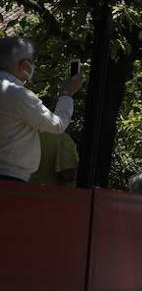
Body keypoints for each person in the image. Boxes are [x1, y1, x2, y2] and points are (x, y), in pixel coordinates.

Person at [0, 37, 83, 183]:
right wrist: (67, 93)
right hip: (9, 179)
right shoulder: (17, 94)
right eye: (32, 61)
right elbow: (56, 124)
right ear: (24, 65)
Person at [31, 97, 78, 186]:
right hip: (52, 195)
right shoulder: (63, 139)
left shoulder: (28, 133)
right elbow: (67, 175)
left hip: (24, 190)